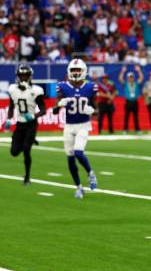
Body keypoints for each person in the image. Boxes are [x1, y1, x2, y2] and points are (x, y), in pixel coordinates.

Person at [53, 59, 98, 198]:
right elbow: (54, 110)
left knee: (78, 153)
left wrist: (91, 110)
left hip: (83, 125)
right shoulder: (63, 87)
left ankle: (90, 173)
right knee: (70, 158)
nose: (76, 73)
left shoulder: (90, 87)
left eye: (78, 70)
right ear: (69, 72)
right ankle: (79, 187)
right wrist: (59, 104)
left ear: (83, 71)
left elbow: (97, 110)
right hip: (69, 126)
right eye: (73, 70)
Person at [4, 65, 46, 185]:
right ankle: (30, 140)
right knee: (14, 152)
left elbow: (43, 109)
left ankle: (27, 177)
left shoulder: (36, 90)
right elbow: (12, 106)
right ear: (17, 76)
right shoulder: (13, 89)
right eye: (21, 75)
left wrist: (34, 116)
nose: (23, 78)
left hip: (31, 124)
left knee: (27, 151)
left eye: (25, 75)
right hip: (20, 124)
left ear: (30, 76)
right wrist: (8, 119)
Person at [119, 65, 144, 133]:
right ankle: (125, 129)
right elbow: (120, 79)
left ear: (133, 78)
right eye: (130, 77)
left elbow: (141, 78)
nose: (131, 78)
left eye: (132, 77)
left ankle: (137, 129)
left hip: (135, 102)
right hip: (128, 102)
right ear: (127, 78)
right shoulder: (126, 84)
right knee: (127, 116)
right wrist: (123, 71)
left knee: (136, 117)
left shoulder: (136, 83)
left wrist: (139, 70)